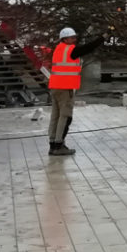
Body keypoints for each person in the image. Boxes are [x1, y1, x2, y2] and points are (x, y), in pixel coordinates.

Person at [47, 27, 104, 157]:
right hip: (65, 88)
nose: (74, 40)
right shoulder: (70, 50)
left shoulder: (59, 49)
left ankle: (52, 143)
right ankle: (58, 145)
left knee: (55, 116)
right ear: (65, 39)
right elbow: (88, 47)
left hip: (55, 87)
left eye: (74, 37)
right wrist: (103, 37)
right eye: (72, 38)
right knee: (65, 116)